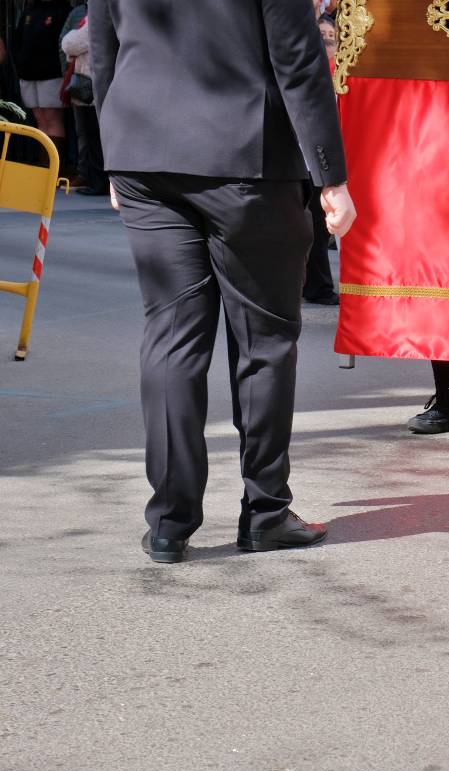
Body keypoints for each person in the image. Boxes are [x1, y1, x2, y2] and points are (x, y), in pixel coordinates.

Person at [91, 0, 358, 563]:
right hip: (245, 155)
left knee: (171, 340)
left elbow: (105, 45)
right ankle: (264, 512)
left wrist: (114, 153)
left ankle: (169, 522)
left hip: (144, 151)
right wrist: (330, 177)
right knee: (263, 341)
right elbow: (297, 55)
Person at [11, 0, 71, 173]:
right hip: (28, 75)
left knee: (52, 118)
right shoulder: (29, 11)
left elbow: (64, 43)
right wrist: (20, 65)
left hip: (52, 75)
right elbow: (16, 41)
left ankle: (54, 170)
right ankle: (44, 169)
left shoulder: (63, 11)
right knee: (40, 120)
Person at [60, 5, 108, 196]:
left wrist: (73, 44)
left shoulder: (95, 21)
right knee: (90, 138)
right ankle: (94, 180)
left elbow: (70, 44)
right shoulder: (90, 20)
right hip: (87, 87)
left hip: (91, 89)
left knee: (94, 138)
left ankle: (99, 183)